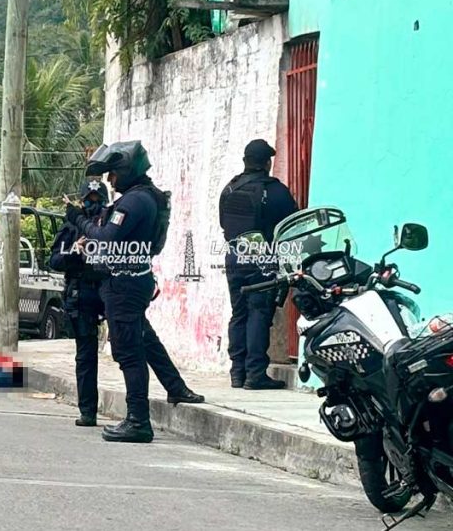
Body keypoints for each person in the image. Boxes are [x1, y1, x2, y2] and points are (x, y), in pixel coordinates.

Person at [65, 140, 203, 443]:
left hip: (124, 284)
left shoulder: (134, 202)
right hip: (133, 279)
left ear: (126, 171)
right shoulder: (146, 196)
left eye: (113, 174)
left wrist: (79, 220)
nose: (110, 181)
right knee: (143, 337)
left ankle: (138, 420)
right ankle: (175, 387)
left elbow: (107, 236)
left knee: (129, 352)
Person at [219, 139, 298, 390]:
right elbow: (292, 223)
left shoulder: (229, 189)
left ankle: (237, 372)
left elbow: (223, 223)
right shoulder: (274, 190)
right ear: (267, 163)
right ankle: (255, 374)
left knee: (239, 312)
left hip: (233, 256)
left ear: (245, 161)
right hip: (261, 258)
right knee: (259, 313)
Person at [49, 180, 110, 427]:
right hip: (82, 292)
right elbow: (54, 260)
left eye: (98, 199)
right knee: (86, 354)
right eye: (89, 199)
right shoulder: (71, 227)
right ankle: (88, 411)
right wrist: (74, 250)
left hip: (109, 290)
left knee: (130, 348)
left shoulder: (112, 225)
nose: (93, 204)